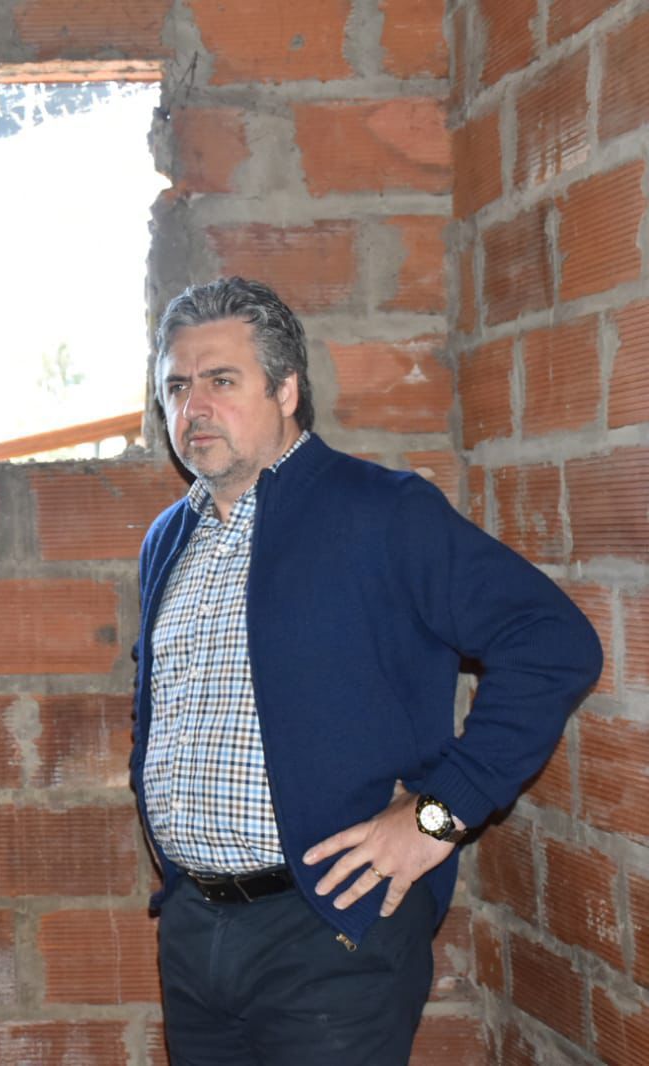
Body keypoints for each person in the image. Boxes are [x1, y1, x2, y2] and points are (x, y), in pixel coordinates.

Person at [131, 276, 601, 1064]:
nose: (194, 408)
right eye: (176, 387)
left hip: (330, 932)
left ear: (285, 389)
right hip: (193, 933)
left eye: (221, 381)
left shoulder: (380, 511)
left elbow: (552, 641)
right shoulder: (167, 540)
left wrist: (436, 817)